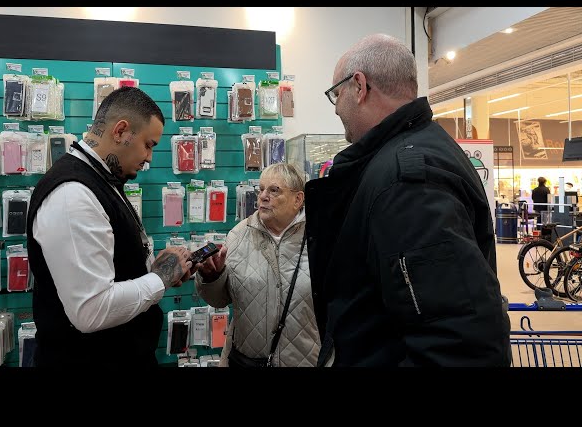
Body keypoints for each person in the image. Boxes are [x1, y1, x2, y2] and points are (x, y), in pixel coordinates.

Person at [305, 33, 511, 367]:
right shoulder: (413, 153)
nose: (337, 109)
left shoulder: (407, 181)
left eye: (336, 94)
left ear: (359, 86)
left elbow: (458, 343)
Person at [27, 86, 196, 367]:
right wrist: (160, 278)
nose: (150, 158)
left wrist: (154, 267)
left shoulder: (102, 180)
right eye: (148, 144)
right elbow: (91, 310)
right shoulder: (73, 194)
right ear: (120, 131)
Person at [196, 163, 320, 367]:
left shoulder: (319, 237)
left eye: (274, 190)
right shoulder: (238, 235)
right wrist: (212, 277)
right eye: (261, 189)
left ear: (298, 199)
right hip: (247, 360)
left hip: (305, 360)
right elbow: (218, 300)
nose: (263, 196)